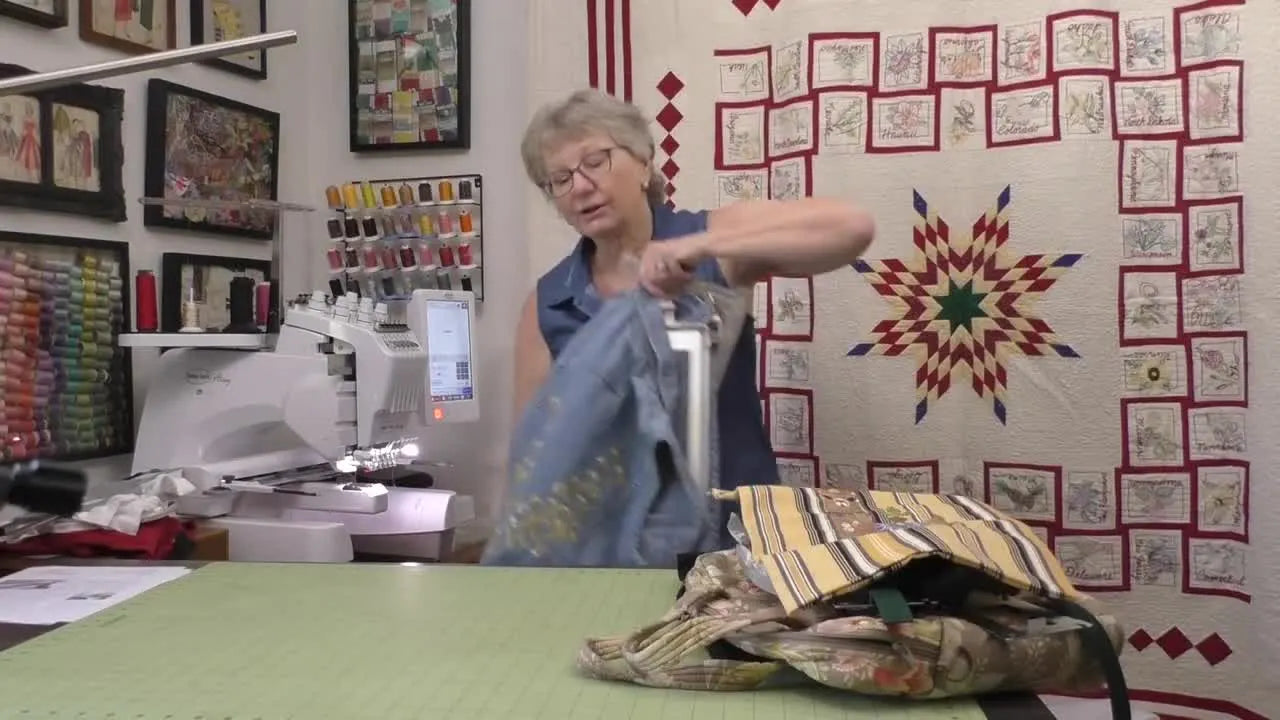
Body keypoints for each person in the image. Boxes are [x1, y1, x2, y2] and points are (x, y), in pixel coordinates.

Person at [515, 88, 875, 513]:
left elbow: (850, 227)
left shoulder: (709, 240)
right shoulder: (549, 302)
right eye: (560, 179)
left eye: (595, 161)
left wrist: (701, 246)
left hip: (735, 529)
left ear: (644, 162)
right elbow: (532, 459)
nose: (580, 186)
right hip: (617, 539)